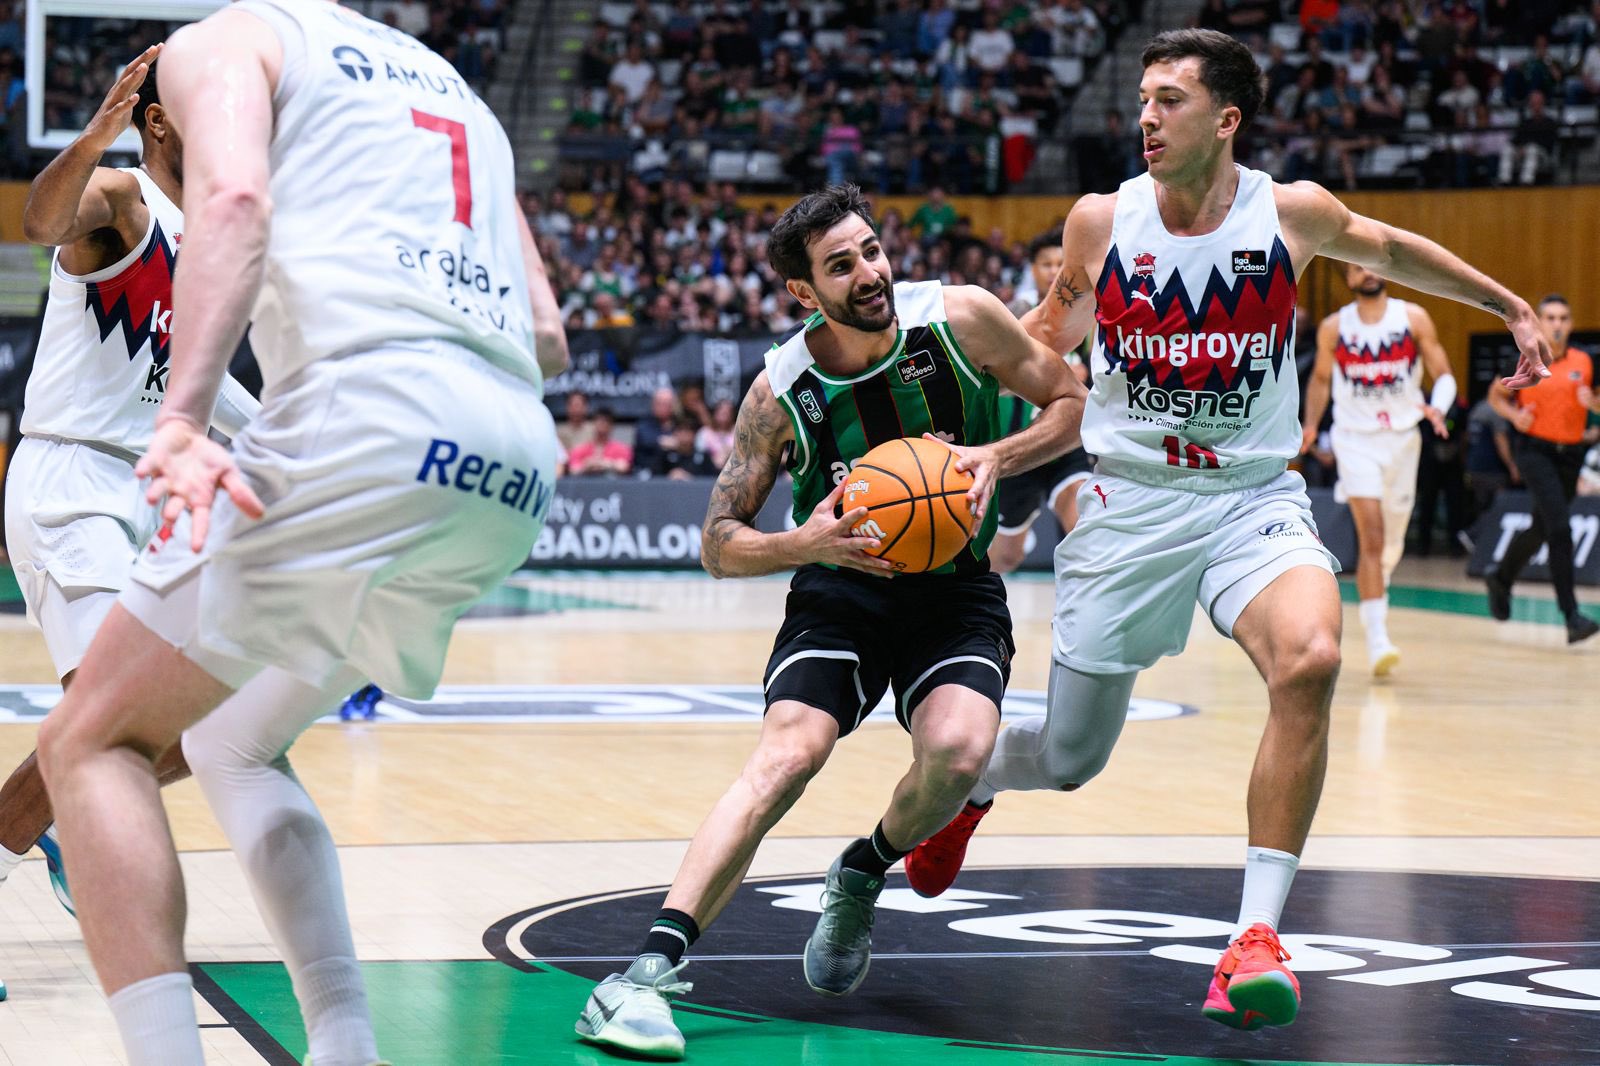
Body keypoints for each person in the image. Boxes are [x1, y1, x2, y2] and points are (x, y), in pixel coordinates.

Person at [906, 28, 1551, 1035]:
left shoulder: (1286, 213)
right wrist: (935, 387)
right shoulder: (1099, 221)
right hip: (1131, 502)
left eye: (1169, 99)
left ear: (1225, 118)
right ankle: (977, 781)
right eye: (1144, 100)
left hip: (1253, 497)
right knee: (1072, 757)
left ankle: (1253, 936)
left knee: (1310, 657)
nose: (1146, 117)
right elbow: (1042, 341)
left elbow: (1391, 250)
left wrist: (1507, 303)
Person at [33, 4, 568, 1065]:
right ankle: (346, 1044)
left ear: (163, 128)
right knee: (232, 740)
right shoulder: (453, 90)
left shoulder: (224, 46)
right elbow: (547, 331)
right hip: (510, 458)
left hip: (366, 421)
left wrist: (181, 417)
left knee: (88, 741)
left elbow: (234, 195)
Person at [574, 183, 1084, 1061]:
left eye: (871, 251)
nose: (869, 273)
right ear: (804, 292)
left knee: (961, 754)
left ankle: (862, 869)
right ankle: (639, 978)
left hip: (956, 591)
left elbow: (1070, 398)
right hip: (840, 589)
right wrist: (803, 541)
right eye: (840, 265)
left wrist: (993, 457)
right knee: (787, 756)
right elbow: (716, 542)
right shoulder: (782, 393)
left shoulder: (960, 319)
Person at [2, 48, 261, 931]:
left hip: (141, 496)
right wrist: (96, 133)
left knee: (203, 723)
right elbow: (38, 223)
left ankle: (62, 813)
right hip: (72, 479)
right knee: (106, 720)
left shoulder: (211, 246)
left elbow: (214, 388)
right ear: (159, 122)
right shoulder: (120, 195)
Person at [1299, 261, 1456, 675]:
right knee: (1372, 537)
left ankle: (1377, 586)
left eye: (1371, 264)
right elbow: (1319, 381)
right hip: (1355, 439)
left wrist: (1437, 408)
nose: (1366, 271)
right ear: (1347, 279)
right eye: (1355, 267)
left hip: (1404, 441)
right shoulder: (1336, 327)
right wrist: (1311, 425)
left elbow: (1444, 375)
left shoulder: (1413, 317)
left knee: (1390, 546)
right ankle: (1377, 640)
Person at [1485, 295, 1600, 643]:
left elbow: (1598, 401)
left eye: (1563, 318)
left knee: (1540, 527)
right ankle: (1571, 616)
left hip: (1571, 455)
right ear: (1539, 321)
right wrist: (1513, 416)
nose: (1557, 324)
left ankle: (1501, 577)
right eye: (1549, 317)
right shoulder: (1525, 356)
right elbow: (1495, 396)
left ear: (1571, 323)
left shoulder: (1586, 360)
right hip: (1534, 451)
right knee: (1560, 529)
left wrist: (1593, 404)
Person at [991, 230, 1093, 572]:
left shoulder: (1086, 316)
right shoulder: (1013, 315)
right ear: (1031, 269)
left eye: (1059, 264)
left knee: (1083, 529)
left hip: (1064, 443)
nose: (1053, 271)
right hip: (1019, 444)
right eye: (1045, 263)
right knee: (1006, 557)